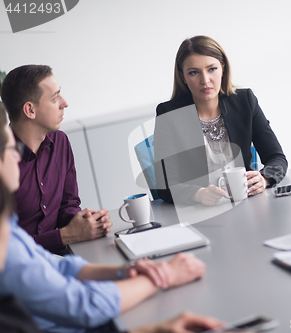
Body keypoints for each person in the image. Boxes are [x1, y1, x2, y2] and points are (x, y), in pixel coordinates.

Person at [0, 105, 209, 332]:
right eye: (12, 147)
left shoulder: (7, 226)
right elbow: (83, 306)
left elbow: (56, 266)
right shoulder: (6, 252)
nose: (17, 155)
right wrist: (165, 275)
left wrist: (122, 272)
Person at [153, 35, 287, 206]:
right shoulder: (169, 113)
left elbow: (276, 158)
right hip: (201, 211)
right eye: (193, 72)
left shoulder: (245, 100)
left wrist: (265, 178)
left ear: (222, 69)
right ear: (183, 77)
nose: (205, 80)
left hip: (246, 202)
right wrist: (198, 194)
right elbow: (164, 186)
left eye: (212, 69)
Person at [0, 65, 111, 254]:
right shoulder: (5, 162)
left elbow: (68, 204)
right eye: (55, 97)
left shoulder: (60, 142)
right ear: (30, 110)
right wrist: (67, 235)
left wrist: (82, 222)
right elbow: (6, 248)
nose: (64, 103)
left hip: (63, 256)